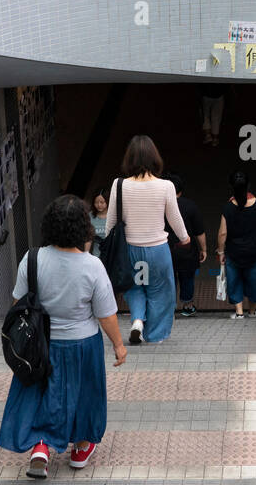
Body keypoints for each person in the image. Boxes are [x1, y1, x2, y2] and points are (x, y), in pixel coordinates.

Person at [0, 195, 127, 479]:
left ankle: (41, 446)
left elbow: (18, 302)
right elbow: (106, 315)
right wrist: (119, 345)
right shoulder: (92, 266)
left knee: (43, 394)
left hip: (41, 344)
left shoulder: (31, 259)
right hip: (84, 345)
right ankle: (80, 448)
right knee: (85, 394)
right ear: (84, 228)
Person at [106, 135, 190, 345]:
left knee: (135, 287)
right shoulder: (166, 186)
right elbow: (174, 218)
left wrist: (110, 245)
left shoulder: (119, 185)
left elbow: (111, 222)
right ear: (155, 158)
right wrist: (185, 238)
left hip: (130, 249)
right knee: (160, 290)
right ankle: (155, 335)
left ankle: (136, 321)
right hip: (157, 250)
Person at [217, 170, 256, 319]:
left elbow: (222, 234)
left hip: (234, 252)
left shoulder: (227, 208)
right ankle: (252, 312)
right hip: (255, 251)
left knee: (234, 280)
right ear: (248, 185)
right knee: (253, 280)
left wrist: (221, 252)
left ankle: (239, 312)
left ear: (232, 187)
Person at [164, 173, 207, 317]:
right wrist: (204, 249)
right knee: (187, 277)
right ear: (180, 191)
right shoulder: (190, 206)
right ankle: (188, 306)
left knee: (168, 279)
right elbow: (199, 231)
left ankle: (168, 308)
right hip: (187, 249)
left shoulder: (159, 205)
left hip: (164, 249)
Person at [87, 187, 109, 257]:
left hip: (112, 255)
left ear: (108, 201)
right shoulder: (90, 216)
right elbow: (87, 239)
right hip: (97, 255)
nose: (99, 205)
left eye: (102, 202)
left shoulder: (114, 216)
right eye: (96, 202)